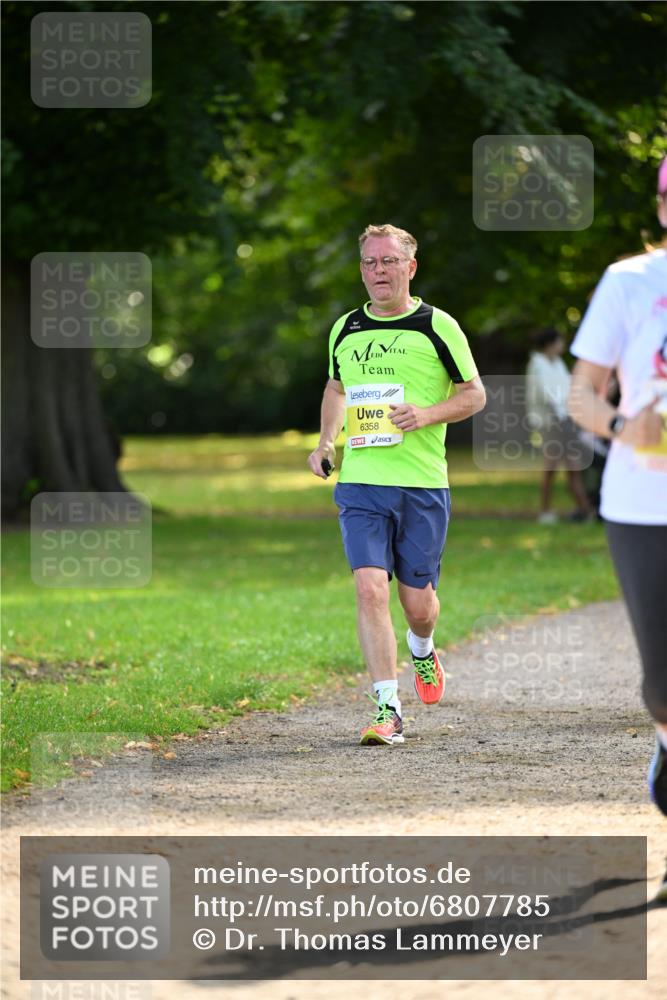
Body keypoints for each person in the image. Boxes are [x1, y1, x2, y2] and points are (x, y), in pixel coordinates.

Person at [308, 223, 485, 746]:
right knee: (368, 588)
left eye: (388, 262)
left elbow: (474, 395)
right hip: (362, 483)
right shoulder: (345, 328)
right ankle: (388, 709)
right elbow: (336, 388)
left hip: (422, 485)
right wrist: (324, 442)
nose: (377, 271)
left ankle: (423, 650)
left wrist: (427, 413)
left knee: (419, 604)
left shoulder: (437, 326)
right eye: (369, 262)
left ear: (410, 267)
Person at [568, 157, 667, 901]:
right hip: (642, 504)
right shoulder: (628, 281)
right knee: (664, 683)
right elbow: (580, 395)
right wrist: (620, 430)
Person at [525, 328, 593, 523]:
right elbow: (549, 396)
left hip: (565, 420)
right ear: (549, 345)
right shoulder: (538, 365)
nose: (562, 346)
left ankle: (585, 510)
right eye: (559, 342)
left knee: (573, 465)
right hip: (549, 423)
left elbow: (567, 389)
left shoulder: (557, 363)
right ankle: (545, 511)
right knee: (551, 467)